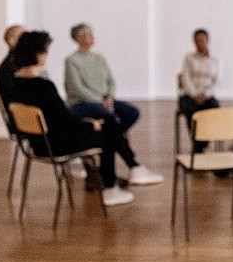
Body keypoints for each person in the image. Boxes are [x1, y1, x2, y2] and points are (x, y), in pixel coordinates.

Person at [10, 31, 164, 207]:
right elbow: (64, 118)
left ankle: (133, 168)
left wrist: (88, 124)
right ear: (36, 53)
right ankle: (112, 186)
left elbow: (57, 117)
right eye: (45, 51)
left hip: (38, 143)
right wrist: (90, 125)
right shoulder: (44, 86)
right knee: (106, 130)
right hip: (57, 144)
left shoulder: (16, 83)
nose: (46, 55)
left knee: (108, 123)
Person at [64, 23, 140, 134]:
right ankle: (113, 140)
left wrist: (109, 97)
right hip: (82, 103)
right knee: (110, 117)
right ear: (78, 39)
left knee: (132, 113)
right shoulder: (71, 60)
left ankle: (111, 139)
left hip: (105, 101)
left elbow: (111, 81)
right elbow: (77, 89)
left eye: (91, 33)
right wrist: (100, 101)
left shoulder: (99, 58)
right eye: (87, 34)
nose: (92, 36)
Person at [178, 28, 220, 153]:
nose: (199, 43)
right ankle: (198, 143)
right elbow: (185, 78)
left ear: (207, 40)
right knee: (190, 109)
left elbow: (216, 81)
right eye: (196, 41)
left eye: (201, 40)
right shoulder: (189, 58)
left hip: (207, 95)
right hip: (190, 95)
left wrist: (205, 95)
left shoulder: (215, 60)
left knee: (213, 107)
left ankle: (202, 141)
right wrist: (195, 95)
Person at [0, 24, 25, 108]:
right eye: (23, 36)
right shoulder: (11, 66)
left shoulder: (14, 63)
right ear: (11, 40)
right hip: (20, 115)